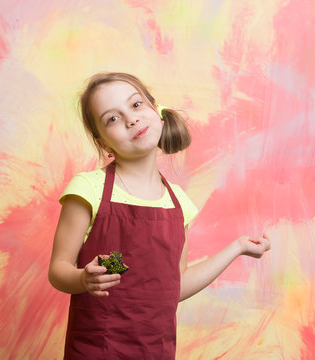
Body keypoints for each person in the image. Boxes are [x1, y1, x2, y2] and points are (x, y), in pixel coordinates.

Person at [48, 72, 271, 359]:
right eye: (112, 119)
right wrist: (82, 280)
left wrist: (238, 247)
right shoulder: (88, 188)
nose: (131, 119)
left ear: (156, 111)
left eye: (136, 105)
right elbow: (58, 269)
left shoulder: (179, 202)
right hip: (98, 350)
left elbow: (175, 287)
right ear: (103, 143)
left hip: (158, 351)